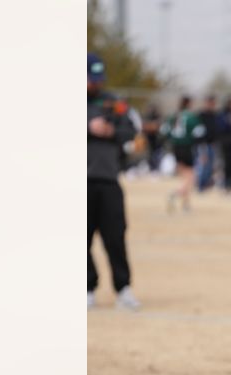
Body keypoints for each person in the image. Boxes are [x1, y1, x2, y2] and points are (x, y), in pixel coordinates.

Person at [87, 52, 141, 311]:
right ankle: (86, 287)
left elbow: (132, 130)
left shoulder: (113, 103)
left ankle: (123, 288)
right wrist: (88, 127)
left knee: (115, 237)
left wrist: (110, 131)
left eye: (98, 78)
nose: (95, 83)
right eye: (90, 78)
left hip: (108, 179)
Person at [165, 95, 204, 213]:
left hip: (176, 147)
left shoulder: (174, 116)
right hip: (187, 147)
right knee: (191, 177)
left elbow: (164, 130)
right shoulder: (191, 117)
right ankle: (174, 193)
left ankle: (186, 204)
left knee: (184, 177)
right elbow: (199, 132)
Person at [194, 95, 220, 192]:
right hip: (203, 144)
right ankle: (200, 185)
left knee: (210, 166)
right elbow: (198, 132)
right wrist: (200, 143)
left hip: (212, 144)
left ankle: (205, 185)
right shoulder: (201, 115)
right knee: (202, 165)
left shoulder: (215, 115)